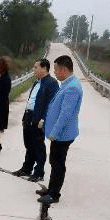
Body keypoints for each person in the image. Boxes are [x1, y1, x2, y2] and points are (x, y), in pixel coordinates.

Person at [38, 54, 82, 208]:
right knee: (54, 162)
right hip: (59, 134)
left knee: (58, 164)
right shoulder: (67, 84)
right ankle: (50, 189)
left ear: (63, 70)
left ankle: (54, 194)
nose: (54, 72)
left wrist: (54, 133)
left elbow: (65, 114)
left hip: (62, 135)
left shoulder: (72, 88)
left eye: (56, 70)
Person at [14, 58, 59, 181]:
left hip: (38, 118)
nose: (33, 69)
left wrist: (43, 119)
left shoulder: (52, 83)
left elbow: (52, 104)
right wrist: (25, 116)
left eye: (35, 67)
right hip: (29, 116)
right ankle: (26, 168)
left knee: (38, 146)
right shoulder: (36, 82)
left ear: (44, 68)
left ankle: (39, 172)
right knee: (28, 144)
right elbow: (31, 100)